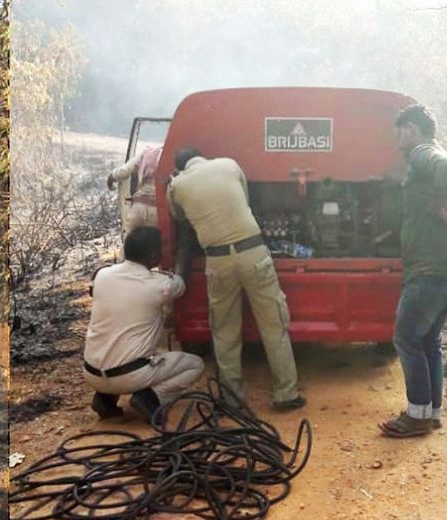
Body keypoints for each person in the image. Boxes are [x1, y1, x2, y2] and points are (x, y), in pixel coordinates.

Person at [167, 148, 305, 412]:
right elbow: (245, 198)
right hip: (253, 252)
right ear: (203, 157)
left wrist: (176, 183)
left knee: (224, 332)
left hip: (217, 261)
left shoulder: (178, 184)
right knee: (274, 326)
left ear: (183, 167)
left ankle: (232, 399)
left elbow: (179, 217)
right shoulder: (229, 163)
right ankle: (286, 394)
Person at [378, 103, 447, 438]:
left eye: (399, 133)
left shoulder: (423, 152)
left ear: (412, 129)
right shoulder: (421, 160)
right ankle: (431, 412)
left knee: (405, 338)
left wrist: (438, 205)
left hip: (429, 272)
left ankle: (416, 416)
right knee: (429, 340)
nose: (397, 141)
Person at [83, 226, 205, 423]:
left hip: (91, 373)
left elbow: (98, 274)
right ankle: (150, 399)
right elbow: (180, 283)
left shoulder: (103, 276)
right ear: (153, 255)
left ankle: (105, 398)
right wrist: (184, 251)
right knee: (195, 365)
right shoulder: (159, 285)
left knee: (118, 350)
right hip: (131, 375)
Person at [107, 146, 162, 232]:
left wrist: (111, 177)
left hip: (138, 208)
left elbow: (124, 171)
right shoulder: (174, 157)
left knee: (130, 243)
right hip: (158, 212)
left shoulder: (148, 152)